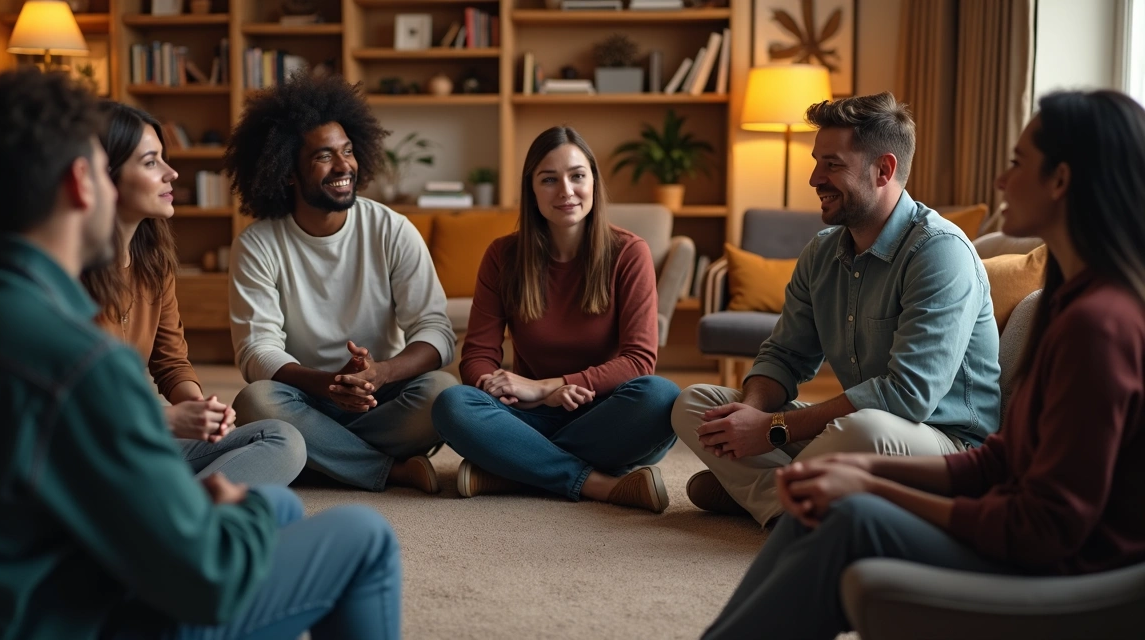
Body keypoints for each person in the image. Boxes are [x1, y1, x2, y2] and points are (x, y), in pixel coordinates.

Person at [0, 68, 400, 640]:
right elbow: (206, 580)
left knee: (282, 510)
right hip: (85, 613)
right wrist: (234, 509)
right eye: (145, 164)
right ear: (83, 182)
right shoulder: (79, 360)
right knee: (361, 537)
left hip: (25, 571)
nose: (170, 173)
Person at [700, 89, 1145, 640]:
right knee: (833, 496)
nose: (1002, 182)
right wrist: (864, 472)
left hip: (1071, 579)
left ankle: (778, 495)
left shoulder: (1101, 324)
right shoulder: (1070, 300)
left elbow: (1044, 529)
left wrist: (874, 489)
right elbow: (1004, 463)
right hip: (1007, 526)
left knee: (854, 518)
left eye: (1017, 163)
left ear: (1061, 180)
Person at [670, 92, 1002, 525]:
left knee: (865, 429)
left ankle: (768, 496)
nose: (814, 178)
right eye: (816, 161)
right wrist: (754, 412)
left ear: (884, 170)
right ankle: (795, 498)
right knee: (695, 404)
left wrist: (774, 431)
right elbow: (784, 356)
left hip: (945, 444)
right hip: (859, 431)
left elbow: (907, 397)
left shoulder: (940, 253)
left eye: (833, 164)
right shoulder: (822, 252)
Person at [225, 74, 458, 494]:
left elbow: (436, 331)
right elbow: (256, 351)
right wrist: (330, 386)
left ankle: (321, 459)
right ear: (288, 171)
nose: (343, 166)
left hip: (381, 397)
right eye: (324, 156)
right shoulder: (258, 245)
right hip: (305, 399)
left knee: (444, 393)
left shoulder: (392, 229)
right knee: (256, 402)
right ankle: (386, 469)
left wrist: (381, 373)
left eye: (348, 151)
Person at [431, 126, 681, 513]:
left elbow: (638, 361)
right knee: (452, 403)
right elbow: (477, 355)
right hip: (527, 417)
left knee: (661, 397)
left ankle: (512, 469)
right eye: (549, 179)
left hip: (604, 413)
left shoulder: (629, 252)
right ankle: (598, 483)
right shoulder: (503, 256)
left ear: (593, 182)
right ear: (531, 189)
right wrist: (519, 392)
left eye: (577, 176)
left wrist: (550, 385)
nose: (566, 190)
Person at [81, 101, 306, 486]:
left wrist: (198, 408)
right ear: (105, 176)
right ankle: (176, 516)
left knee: (282, 440)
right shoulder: (63, 274)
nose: (172, 173)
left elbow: (170, 363)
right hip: (80, 451)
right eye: (151, 162)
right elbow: (59, 409)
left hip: (137, 443)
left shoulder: (153, 265)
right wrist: (164, 420)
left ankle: (181, 513)